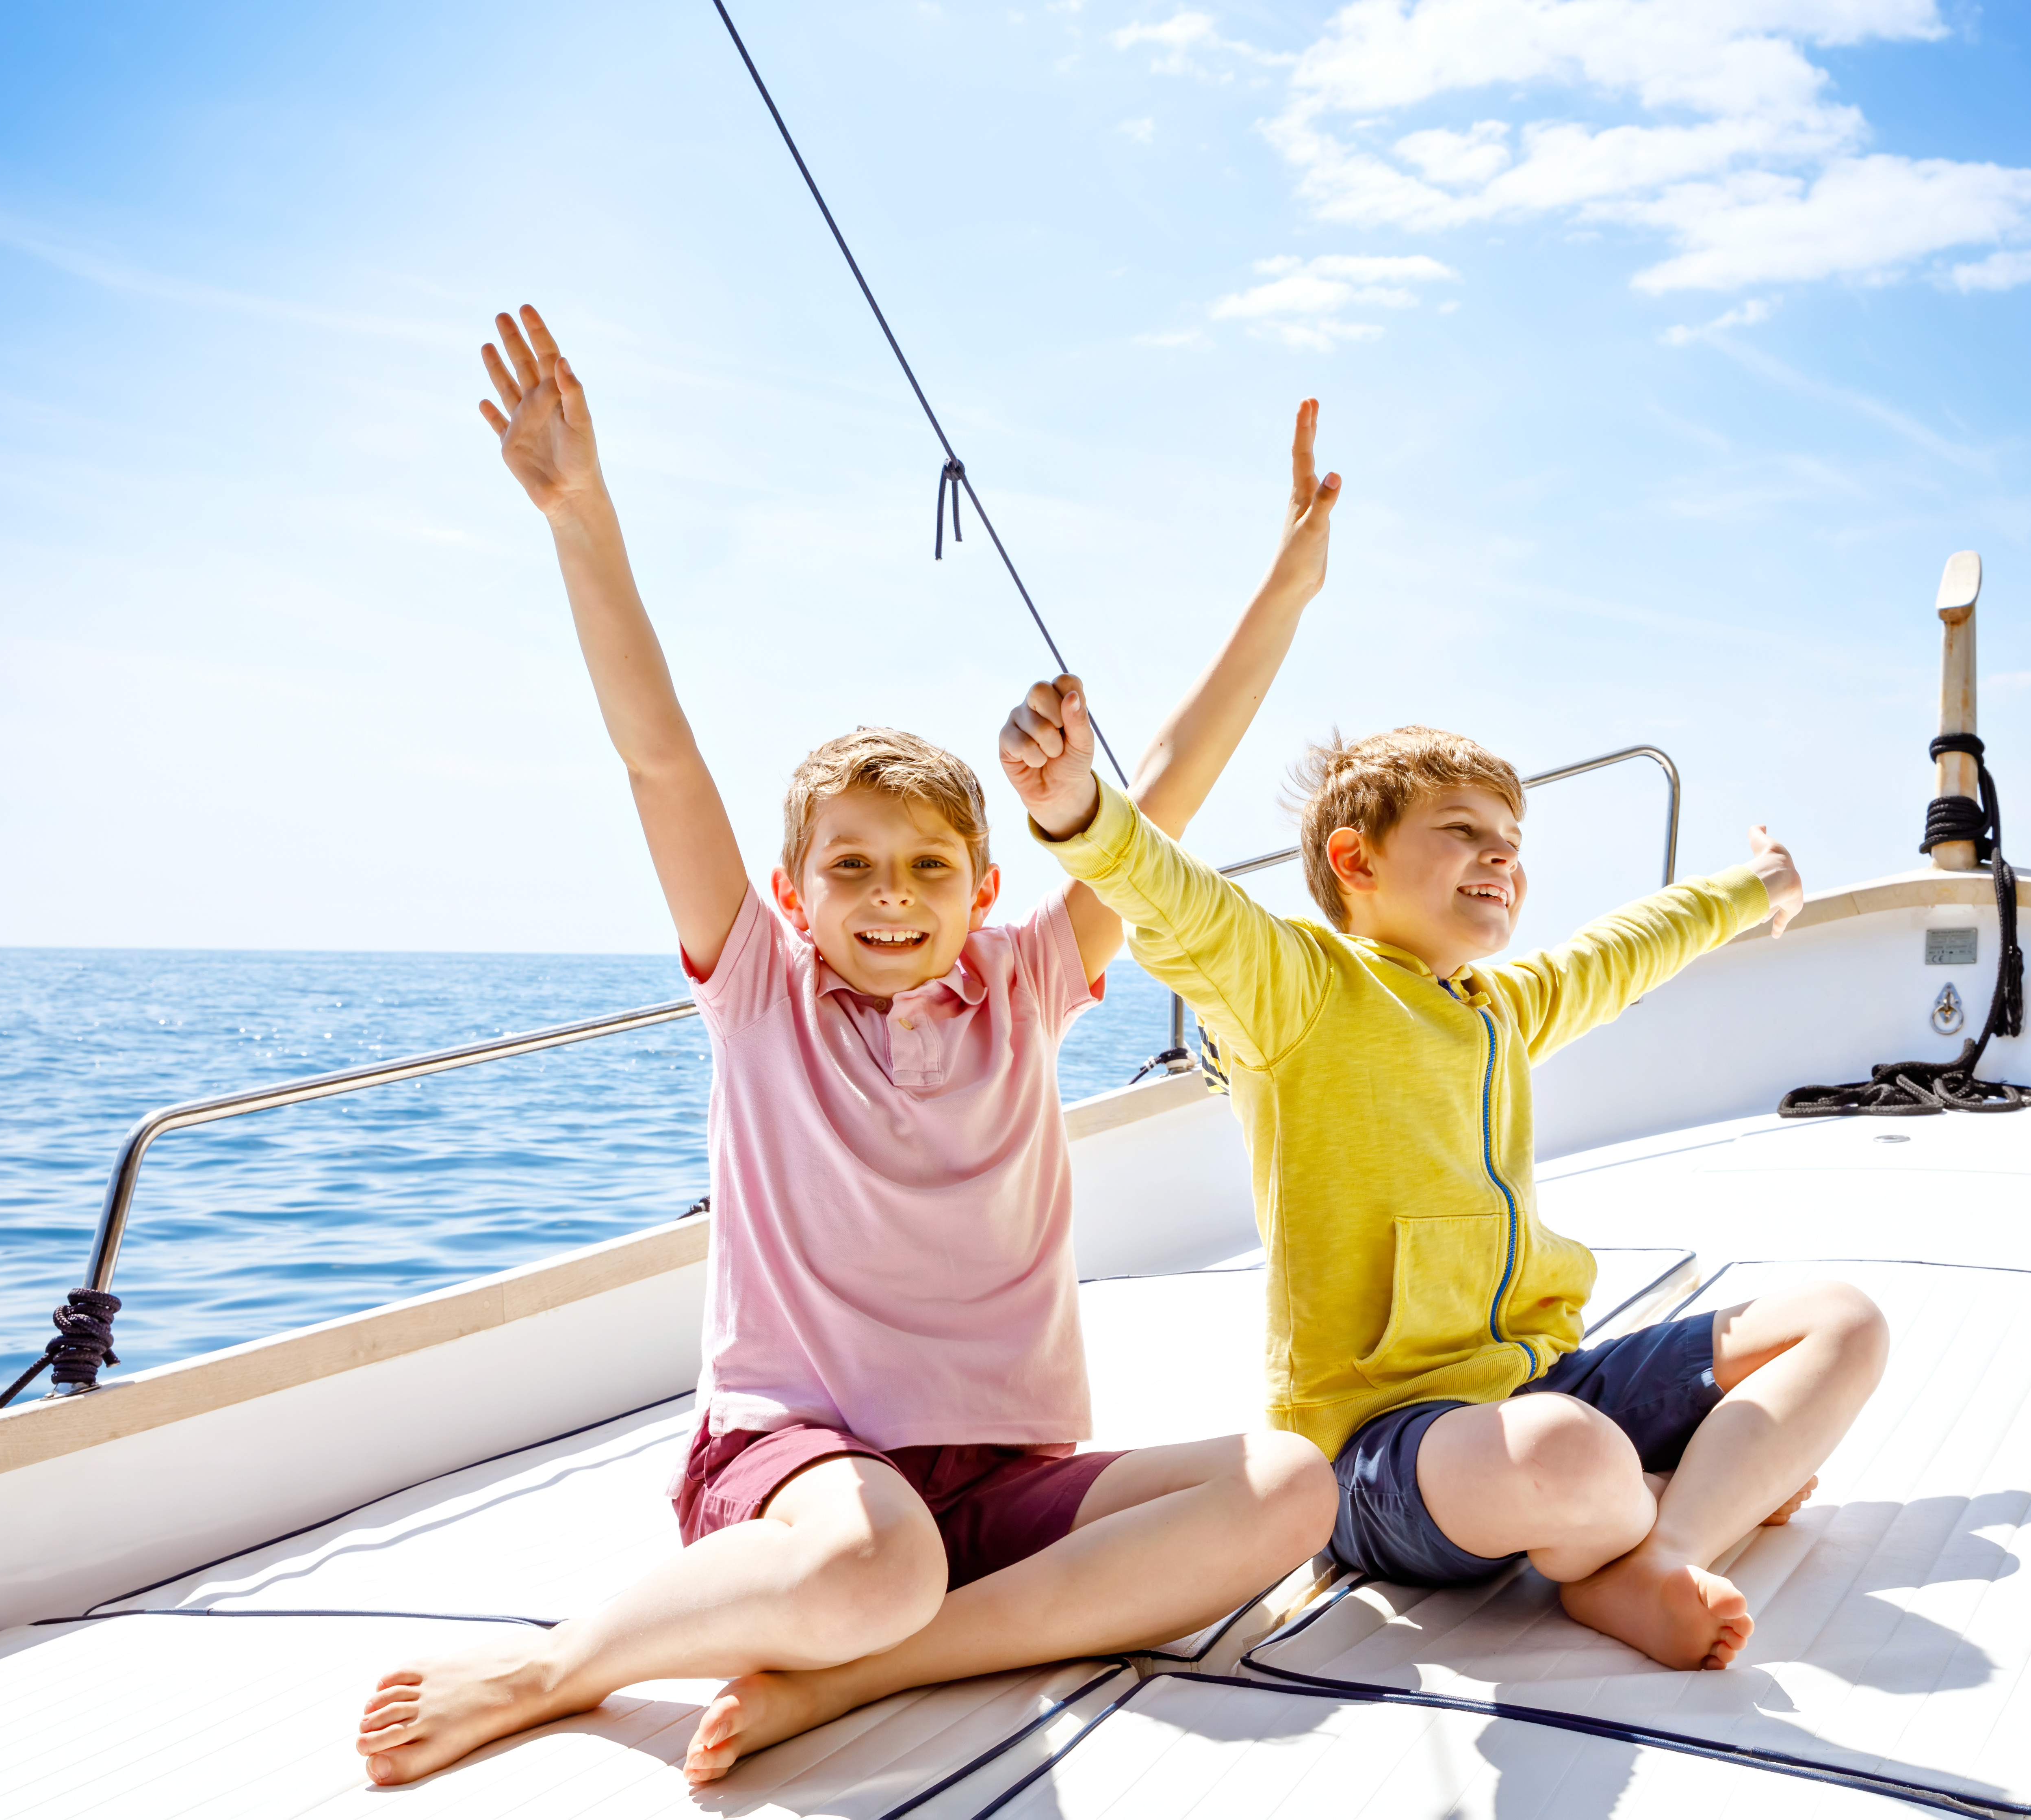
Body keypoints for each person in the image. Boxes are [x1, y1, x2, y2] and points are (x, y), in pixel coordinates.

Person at [355, 306, 1338, 1788]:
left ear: (985, 888)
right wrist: (581, 513)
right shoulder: (757, 985)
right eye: (855, 869)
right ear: (792, 893)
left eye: (931, 868)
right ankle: (559, 1665)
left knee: (1291, 1490)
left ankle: (870, 1675)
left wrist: (1290, 585)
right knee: (875, 1564)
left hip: (1004, 1476)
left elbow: (1170, 796)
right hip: (804, 1468)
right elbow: (659, 753)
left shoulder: (1033, 979)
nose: (894, 899)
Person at [997, 667, 1889, 1676]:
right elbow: (1180, 908)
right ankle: (1672, 1492)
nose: (1502, 852)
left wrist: (1756, 886)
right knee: (1572, 1452)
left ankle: (1660, 1548)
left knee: (1841, 1321)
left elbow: (1628, 947)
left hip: (1540, 1382)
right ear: (1354, 858)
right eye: (1462, 829)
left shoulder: (1503, 1004)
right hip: (1385, 1449)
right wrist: (1076, 809)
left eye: (1511, 838)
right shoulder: (1298, 989)